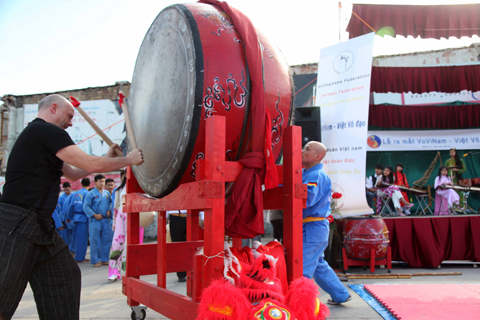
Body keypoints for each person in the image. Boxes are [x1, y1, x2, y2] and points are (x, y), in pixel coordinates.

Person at [0, 94, 143, 320]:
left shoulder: (42, 137)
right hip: (16, 223)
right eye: (69, 116)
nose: (70, 122)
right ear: (53, 108)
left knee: (64, 276)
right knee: (4, 292)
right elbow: (88, 163)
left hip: (41, 225)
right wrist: (128, 159)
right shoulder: (45, 131)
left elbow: (74, 172)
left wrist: (106, 157)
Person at [301, 141, 351, 305]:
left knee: (303, 268)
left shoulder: (315, 175)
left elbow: (307, 198)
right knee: (318, 265)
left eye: (306, 149)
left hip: (313, 227)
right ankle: (341, 295)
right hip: (313, 227)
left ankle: (303, 304)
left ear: (318, 156)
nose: (302, 150)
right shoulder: (306, 172)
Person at [107, 170, 145, 281]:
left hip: (136, 217)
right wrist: (114, 222)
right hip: (121, 218)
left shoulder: (140, 188)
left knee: (135, 245)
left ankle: (132, 270)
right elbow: (115, 207)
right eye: (127, 172)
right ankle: (114, 271)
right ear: (123, 174)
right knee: (117, 244)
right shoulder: (118, 190)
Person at [83, 174, 113, 268]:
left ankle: (104, 259)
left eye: (103, 181)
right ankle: (95, 260)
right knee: (94, 241)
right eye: (100, 181)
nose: (102, 183)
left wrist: (109, 210)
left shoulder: (107, 194)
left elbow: (111, 204)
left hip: (105, 220)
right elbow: (86, 207)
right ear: (95, 182)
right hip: (95, 220)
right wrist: (95, 215)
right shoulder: (90, 194)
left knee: (106, 240)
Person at [68, 177, 91, 263]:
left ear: (81, 184)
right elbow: (87, 207)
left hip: (76, 218)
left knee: (77, 238)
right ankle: (80, 258)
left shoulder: (76, 193)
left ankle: (80, 256)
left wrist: (69, 217)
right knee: (83, 239)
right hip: (84, 218)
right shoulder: (87, 194)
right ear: (89, 184)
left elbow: (71, 206)